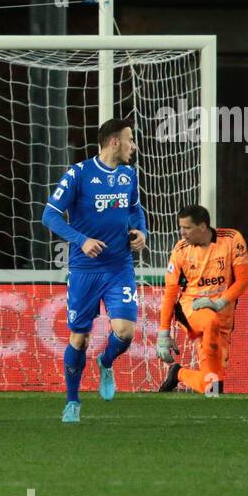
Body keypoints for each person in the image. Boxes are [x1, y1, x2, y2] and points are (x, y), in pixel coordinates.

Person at [40, 119, 148, 423]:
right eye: (130, 140)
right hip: (85, 269)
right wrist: (81, 239)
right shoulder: (79, 174)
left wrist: (141, 233)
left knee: (125, 331)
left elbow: (135, 211)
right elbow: (48, 215)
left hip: (119, 267)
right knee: (79, 338)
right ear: (114, 141)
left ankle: (106, 361)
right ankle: (73, 402)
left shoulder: (129, 176)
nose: (133, 146)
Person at [155, 206, 248, 395]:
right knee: (210, 320)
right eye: (180, 227)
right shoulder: (180, 250)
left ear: (203, 227)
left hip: (223, 316)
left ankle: (178, 373)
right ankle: (200, 356)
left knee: (212, 388)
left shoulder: (232, 240)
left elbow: (243, 281)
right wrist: (163, 333)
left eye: (187, 228)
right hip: (192, 312)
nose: (182, 232)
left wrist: (219, 303)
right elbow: (171, 293)